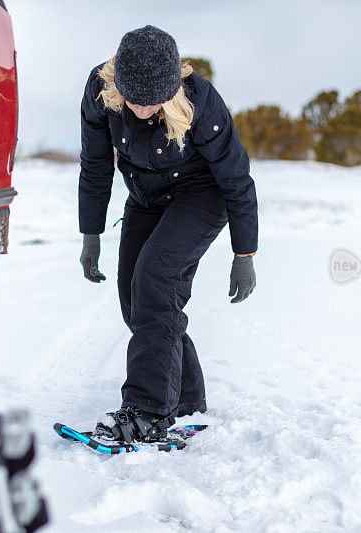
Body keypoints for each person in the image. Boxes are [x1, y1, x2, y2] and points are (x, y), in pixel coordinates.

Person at [77, 25, 258, 444]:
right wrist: (91, 234)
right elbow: (95, 166)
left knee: (156, 280)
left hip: (201, 195)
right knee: (136, 300)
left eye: (152, 102)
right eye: (133, 100)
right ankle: (186, 398)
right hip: (145, 196)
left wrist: (244, 253)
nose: (141, 111)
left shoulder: (201, 103)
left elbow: (236, 179)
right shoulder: (99, 91)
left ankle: (148, 410)